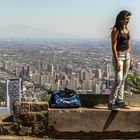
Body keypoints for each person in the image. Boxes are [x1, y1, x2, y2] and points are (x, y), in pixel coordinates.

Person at [108, 10, 133, 110]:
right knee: (118, 79)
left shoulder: (127, 29)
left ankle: (120, 101)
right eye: (126, 19)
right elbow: (113, 47)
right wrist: (117, 60)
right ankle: (111, 102)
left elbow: (128, 45)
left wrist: (131, 58)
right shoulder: (115, 30)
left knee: (123, 80)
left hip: (127, 56)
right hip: (119, 56)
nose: (128, 21)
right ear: (121, 18)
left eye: (129, 19)